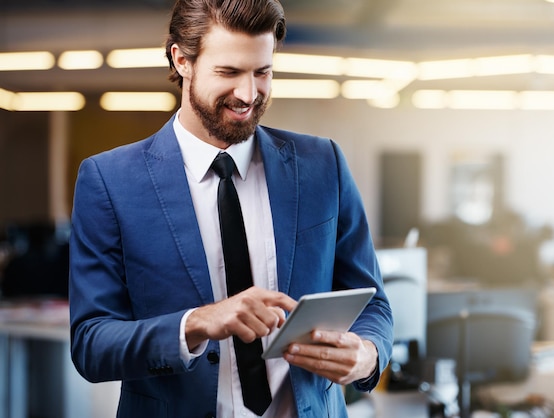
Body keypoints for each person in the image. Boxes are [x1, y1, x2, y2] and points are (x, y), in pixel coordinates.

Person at [68, 0, 393, 417]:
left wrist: (366, 355)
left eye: (263, 72)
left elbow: (374, 305)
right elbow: (91, 344)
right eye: (229, 72)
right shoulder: (110, 181)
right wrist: (198, 323)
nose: (248, 94)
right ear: (181, 60)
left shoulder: (321, 164)